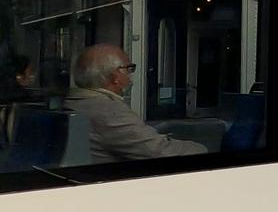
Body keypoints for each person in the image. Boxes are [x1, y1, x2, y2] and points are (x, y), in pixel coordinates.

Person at [65, 44, 206, 163]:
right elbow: (159, 151)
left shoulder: (75, 101)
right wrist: (203, 148)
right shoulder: (108, 110)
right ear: (115, 76)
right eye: (128, 69)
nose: (131, 75)